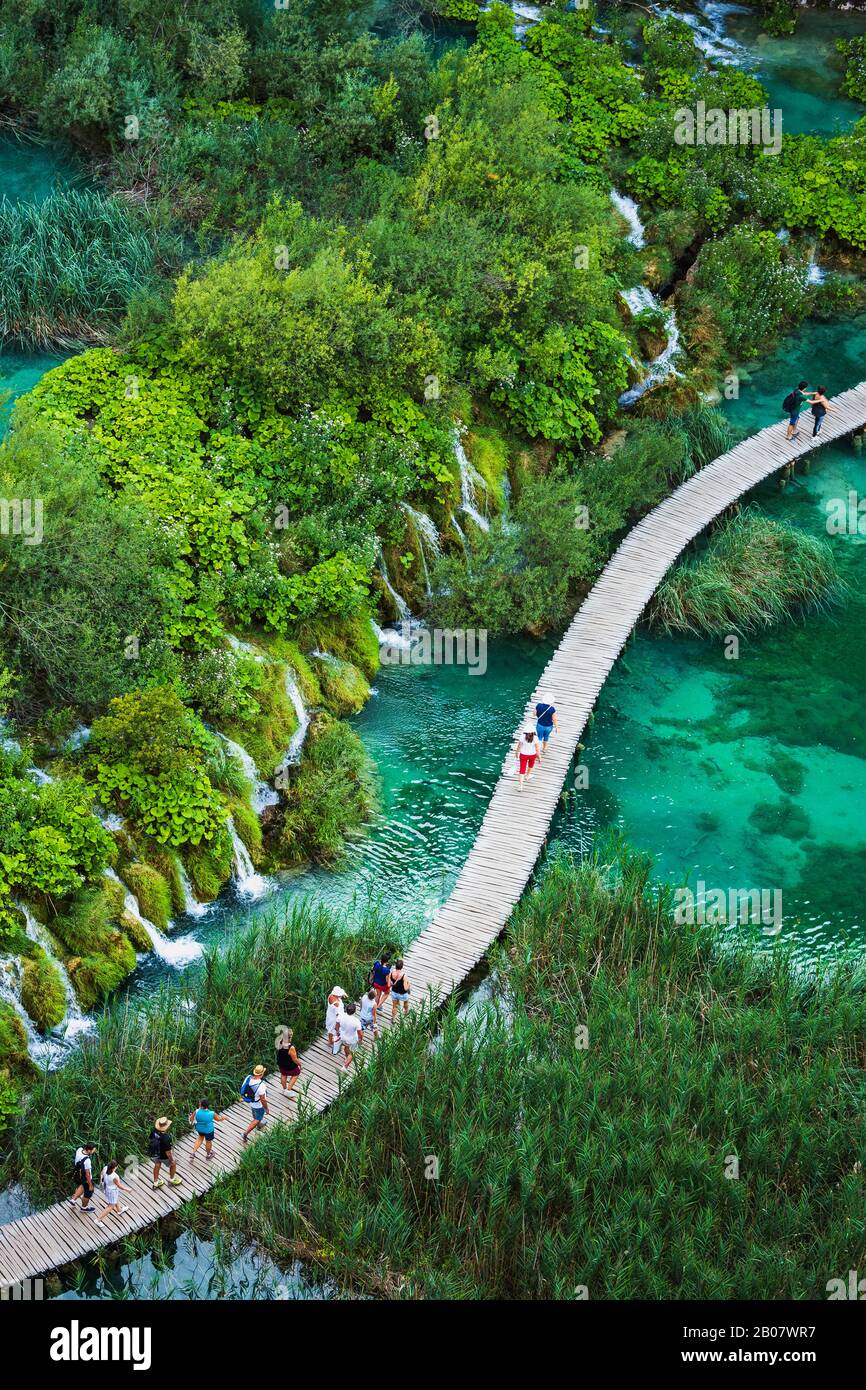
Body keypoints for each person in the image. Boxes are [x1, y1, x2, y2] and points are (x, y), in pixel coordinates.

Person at [149, 1117, 182, 1190]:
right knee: (173, 1164)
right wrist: (171, 1160)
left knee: (157, 1165)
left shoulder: (154, 1131)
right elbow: (168, 1152)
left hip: (154, 1152)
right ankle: (172, 1179)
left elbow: (151, 1140)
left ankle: (156, 1182)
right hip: (163, 1155)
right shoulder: (166, 1138)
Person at [241, 1064, 270, 1141]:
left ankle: (259, 1124)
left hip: (250, 1101)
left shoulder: (248, 1077)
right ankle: (245, 1133)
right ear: (261, 1074)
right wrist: (266, 1108)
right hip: (258, 1105)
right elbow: (263, 1099)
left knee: (255, 1113)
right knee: (258, 1118)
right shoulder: (261, 1086)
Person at [70, 1143, 97, 1213]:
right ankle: (84, 1208)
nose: (94, 1151)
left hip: (78, 1175)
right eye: (93, 1150)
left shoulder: (79, 1150)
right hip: (86, 1178)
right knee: (88, 1193)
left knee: (82, 1186)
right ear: (89, 1151)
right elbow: (87, 1174)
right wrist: (90, 1185)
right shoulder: (87, 1160)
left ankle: (73, 1199)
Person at [276, 1028, 302, 1094]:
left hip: (281, 1063)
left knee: (283, 1074)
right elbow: (295, 1059)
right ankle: (288, 1090)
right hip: (289, 1065)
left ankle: (284, 1089)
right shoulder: (291, 1047)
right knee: (296, 1073)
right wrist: (300, 1064)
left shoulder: (280, 1042)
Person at [338, 1002, 363, 1069]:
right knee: (353, 1052)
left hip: (342, 1037)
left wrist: (338, 1032)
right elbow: (360, 1033)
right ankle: (345, 1067)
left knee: (346, 1047)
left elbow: (337, 1024)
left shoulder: (341, 1016)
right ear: (354, 1011)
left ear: (346, 1010)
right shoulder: (356, 1021)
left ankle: (347, 1058)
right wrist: (360, 1040)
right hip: (352, 1039)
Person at [326, 986, 346, 1052]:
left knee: (330, 1029)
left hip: (330, 1015)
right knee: (335, 1030)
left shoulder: (331, 996)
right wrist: (340, 1022)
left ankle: (330, 1041)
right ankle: (334, 1042)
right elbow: (338, 1014)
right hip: (334, 1018)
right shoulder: (336, 1004)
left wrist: (343, 994)